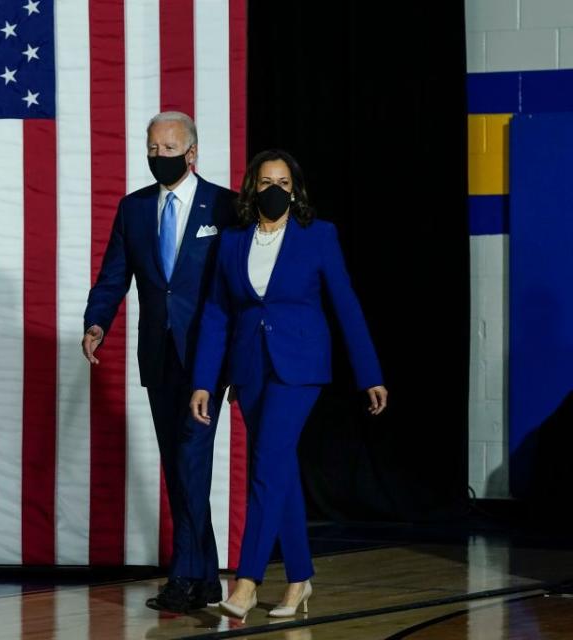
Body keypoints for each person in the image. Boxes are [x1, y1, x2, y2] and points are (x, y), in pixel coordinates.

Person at [189, 149, 388, 619]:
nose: (273, 189)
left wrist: (370, 373)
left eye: (282, 181)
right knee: (278, 471)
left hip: (300, 368)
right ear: (251, 189)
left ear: (294, 189)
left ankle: (246, 581)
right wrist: (204, 382)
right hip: (250, 369)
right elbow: (217, 315)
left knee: (265, 465)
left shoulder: (318, 236)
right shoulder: (233, 242)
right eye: (264, 182)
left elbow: (346, 305)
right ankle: (299, 580)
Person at [83, 111, 236, 613]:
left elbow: (238, 286)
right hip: (158, 355)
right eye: (151, 149)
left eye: (167, 149)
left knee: (191, 461)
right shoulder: (133, 209)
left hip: (207, 359)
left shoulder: (226, 206)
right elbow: (113, 276)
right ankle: (207, 580)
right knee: (178, 467)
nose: (158, 157)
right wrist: (97, 322)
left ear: (191, 153)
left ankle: (184, 577)